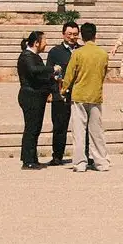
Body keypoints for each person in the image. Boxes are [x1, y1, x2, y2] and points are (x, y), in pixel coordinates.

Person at [62, 21, 111, 172]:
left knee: (79, 131)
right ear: (95, 35)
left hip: (79, 95)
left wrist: (64, 89)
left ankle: (80, 162)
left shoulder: (78, 53)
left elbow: (70, 75)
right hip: (95, 94)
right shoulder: (103, 54)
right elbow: (103, 73)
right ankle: (101, 161)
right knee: (97, 131)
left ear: (82, 36)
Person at [45, 21, 79, 166]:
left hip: (79, 94)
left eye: (75, 34)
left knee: (81, 126)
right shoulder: (55, 52)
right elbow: (49, 73)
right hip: (60, 94)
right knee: (59, 126)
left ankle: (84, 155)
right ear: (63, 34)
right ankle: (57, 155)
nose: (72, 37)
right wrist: (50, 92)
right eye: (69, 34)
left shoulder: (82, 50)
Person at [16, 30, 51, 170]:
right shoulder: (26, 56)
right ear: (36, 43)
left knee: (35, 128)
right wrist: (51, 69)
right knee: (31, 128)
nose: (45, 44)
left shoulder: (35, 56)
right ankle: (27, 160)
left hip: (37, 96)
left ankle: (32, 158)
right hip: (30, 96)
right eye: (44, 41)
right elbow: (33, 70)